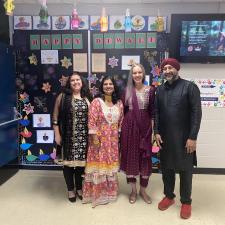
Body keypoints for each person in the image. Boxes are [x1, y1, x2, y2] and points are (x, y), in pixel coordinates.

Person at [154, 58, 202, 219]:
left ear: (177, 69)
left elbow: (197, 114)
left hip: (185, 138)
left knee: (185, 171)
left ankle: (186, 202)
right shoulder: (159, 90)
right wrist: (156, 132)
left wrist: (193, 137)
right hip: (165, 137)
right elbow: (157, 113)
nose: (167, 71)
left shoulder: (190, 87)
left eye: (170, 68)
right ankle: (169, 196)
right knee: (167, 168)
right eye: (164, 68)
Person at [82, 76, 123, 207]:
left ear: (114, 86)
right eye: (105, 84)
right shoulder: (96, 102)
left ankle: (109, 193)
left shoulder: (119, 103)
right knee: (98, 167)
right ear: (102, 87)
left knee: (109, 166)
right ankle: (97, 194)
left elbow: (121, 121)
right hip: (99, 140)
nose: (108, 86)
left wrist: (119, 137)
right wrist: (94, 138)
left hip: (113, 141)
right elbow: (91, 121)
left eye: (111, 84)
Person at [52, 72, 92, 202]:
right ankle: (70, 189)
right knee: (68, 165)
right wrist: (57, 134)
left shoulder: (88, 96)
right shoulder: (62, 97)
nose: (75, 82)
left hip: (84, 138)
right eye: (72, 80)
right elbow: (55, 117)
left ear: (82, 82)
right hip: (68, 137)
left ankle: (79, 188)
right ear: (69, 83)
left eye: (78, 80)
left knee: (81, 165)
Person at [120, 63, 155, 204]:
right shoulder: (127, 91)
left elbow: (153, 112)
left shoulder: (151, 90)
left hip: (145, 129)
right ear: (131, 75)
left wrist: (151, 132)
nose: (137, 75)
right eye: (134, 73)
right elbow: (122, 110)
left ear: (144, 74)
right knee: (131, 160)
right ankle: (133, 191)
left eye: (140, 72)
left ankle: (143, 191)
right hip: (129, 130)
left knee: (145, 161)